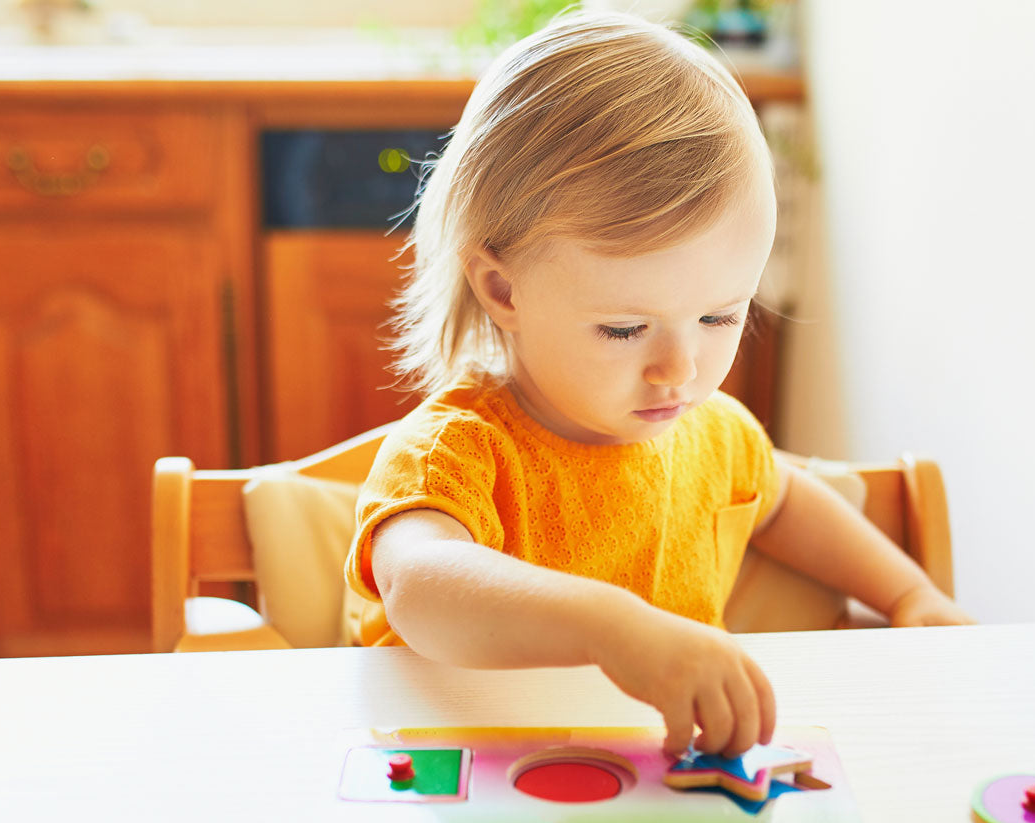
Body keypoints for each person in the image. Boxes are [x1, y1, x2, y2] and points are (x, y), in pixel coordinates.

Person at [344, 10, 972, 759]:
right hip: (459, 774)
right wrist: (613, 629)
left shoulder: (711, 434)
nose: (680, 371)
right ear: (503, 289)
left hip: (651, 772)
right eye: (624, 329)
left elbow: (784, 499)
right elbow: (422, 588)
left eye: (718, 316)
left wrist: (907, 594)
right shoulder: (455, 454)